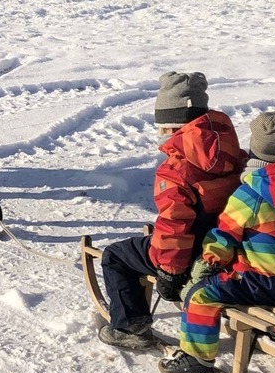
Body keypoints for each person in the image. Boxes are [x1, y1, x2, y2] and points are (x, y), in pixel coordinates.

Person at [159, 111, 275, 373]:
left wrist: (209, 261)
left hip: (266, 281)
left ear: (256, 153)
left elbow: (225, 234)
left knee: (200, 295)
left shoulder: (252, 191)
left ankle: (197, 357)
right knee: (271, 262)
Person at [97, 72, 245, 350]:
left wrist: (169, 272)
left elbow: (175, 224)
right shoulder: (236, 155)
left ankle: (130, 326)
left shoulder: (176, 169)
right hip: (229, 249)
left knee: (116, 256)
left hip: (193, 255)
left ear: (170, 126)